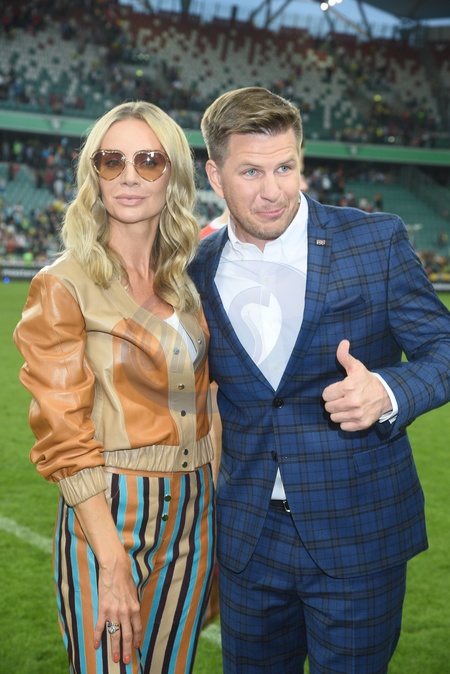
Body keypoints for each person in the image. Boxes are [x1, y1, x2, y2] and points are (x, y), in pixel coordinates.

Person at [190, 86, 450, 674]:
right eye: (251, 171)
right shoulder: (197, 270)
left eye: (285, 167)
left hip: (359, 534)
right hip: (248, 541)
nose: (273, 190)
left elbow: (443, 347)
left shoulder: (375, 241)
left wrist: (388, 390)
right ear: (214, 175)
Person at [14, 101, 215, 674]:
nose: (130, 175)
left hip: (197, 513)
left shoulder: (189, 279)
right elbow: (63, 433)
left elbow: (211, 400)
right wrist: (110, 560)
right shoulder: (61, 284)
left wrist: (216, 516)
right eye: (112, 160)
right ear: (94, 174)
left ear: (172, 175)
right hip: (110, 509)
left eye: (149, 161)